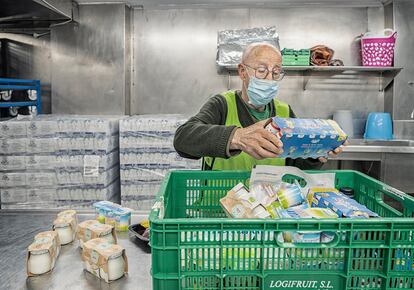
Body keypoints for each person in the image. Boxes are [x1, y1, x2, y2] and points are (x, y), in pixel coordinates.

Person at [174, 43, 345, 171]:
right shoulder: (222, 105)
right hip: (219, 212)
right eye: (262, 70)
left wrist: (315, 154)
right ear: (242, 72)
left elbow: (296, 165)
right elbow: (183, 139)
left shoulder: (284, 112)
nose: (269, 78)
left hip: (268, 213)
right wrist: (237, 137)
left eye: (276, 72)